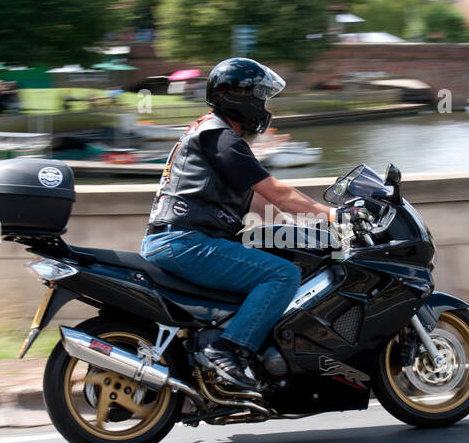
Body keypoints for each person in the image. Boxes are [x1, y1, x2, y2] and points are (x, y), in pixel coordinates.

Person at [141, 57, 334, 393]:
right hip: (187, 242)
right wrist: (333, 215)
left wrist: (312, 235)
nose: (262, 105)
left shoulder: (213, 134)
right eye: (259, 96)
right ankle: (228, 351)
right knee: (282, 274)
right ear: (237, 96)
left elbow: (263, 204)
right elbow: (277, 191)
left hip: (178, 241)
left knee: (277, 264)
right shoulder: (221, 136)